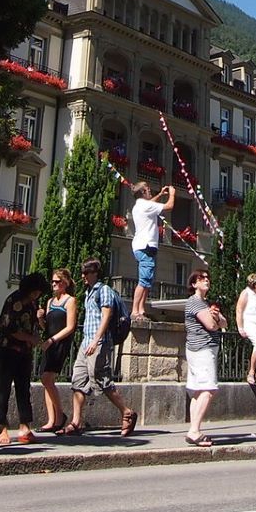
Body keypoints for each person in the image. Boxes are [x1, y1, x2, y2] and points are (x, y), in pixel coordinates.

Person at [67, 259, 136, 436]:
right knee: (78, 380)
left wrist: (96, 340)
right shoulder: (88, 292)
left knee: (102, 379)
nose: (83, 275)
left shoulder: (103, 290)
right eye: (83, 272)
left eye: (87, 272)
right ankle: (76, 422)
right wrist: (87, 342)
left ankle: (127, 412)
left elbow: (106, 316)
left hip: (98, 343)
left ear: (95, 273)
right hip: (86, 343)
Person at [0, 272, 45, 446]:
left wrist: (39, 320)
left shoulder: (32, 303)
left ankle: (25, 426)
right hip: (8, 349)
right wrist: (30, 339)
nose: (37, 295)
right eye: (35, 291)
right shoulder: (14, 301)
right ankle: (2, 427)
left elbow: (33, 326)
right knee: (4, 389)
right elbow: (9, 328)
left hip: (24, 352)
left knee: (24, 389)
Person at [183, 268, 224, 445]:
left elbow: (224, 322)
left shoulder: (206, 304)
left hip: (201, 349)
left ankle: (194, 429)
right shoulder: (195, 302)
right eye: (202, 278)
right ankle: (194, 431)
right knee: (209, 389)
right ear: (194, 284)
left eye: (207, 278)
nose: (206, 280)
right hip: (202, 349)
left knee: (197, 391)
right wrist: (216, 320)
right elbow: (212, 325)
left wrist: (218, 319)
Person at [128, 180, 176, 325]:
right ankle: (135, 311)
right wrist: (172, 194)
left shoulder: (140, 205)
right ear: (143, 192)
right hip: (146, 246)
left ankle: (141, 309)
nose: (150, 192)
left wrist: (160, 194)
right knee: (144, 280)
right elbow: (169, 206)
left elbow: (152, 204)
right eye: (148, 189)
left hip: (142, 245)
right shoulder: (147, 205)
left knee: (147, 280)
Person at [38, 268, 78, 432]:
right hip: (49, 342)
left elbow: (70, 327)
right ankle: (52, 419)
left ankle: (60, 415)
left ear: (65, 283)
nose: (54, 284)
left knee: (48, 378)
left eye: (57, 281)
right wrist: (40, 318)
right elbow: (46, 326)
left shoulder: (70, 301)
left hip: (59, 342)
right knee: (45, 380)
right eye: (52, 281)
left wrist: (54, 339)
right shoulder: (50, 301)